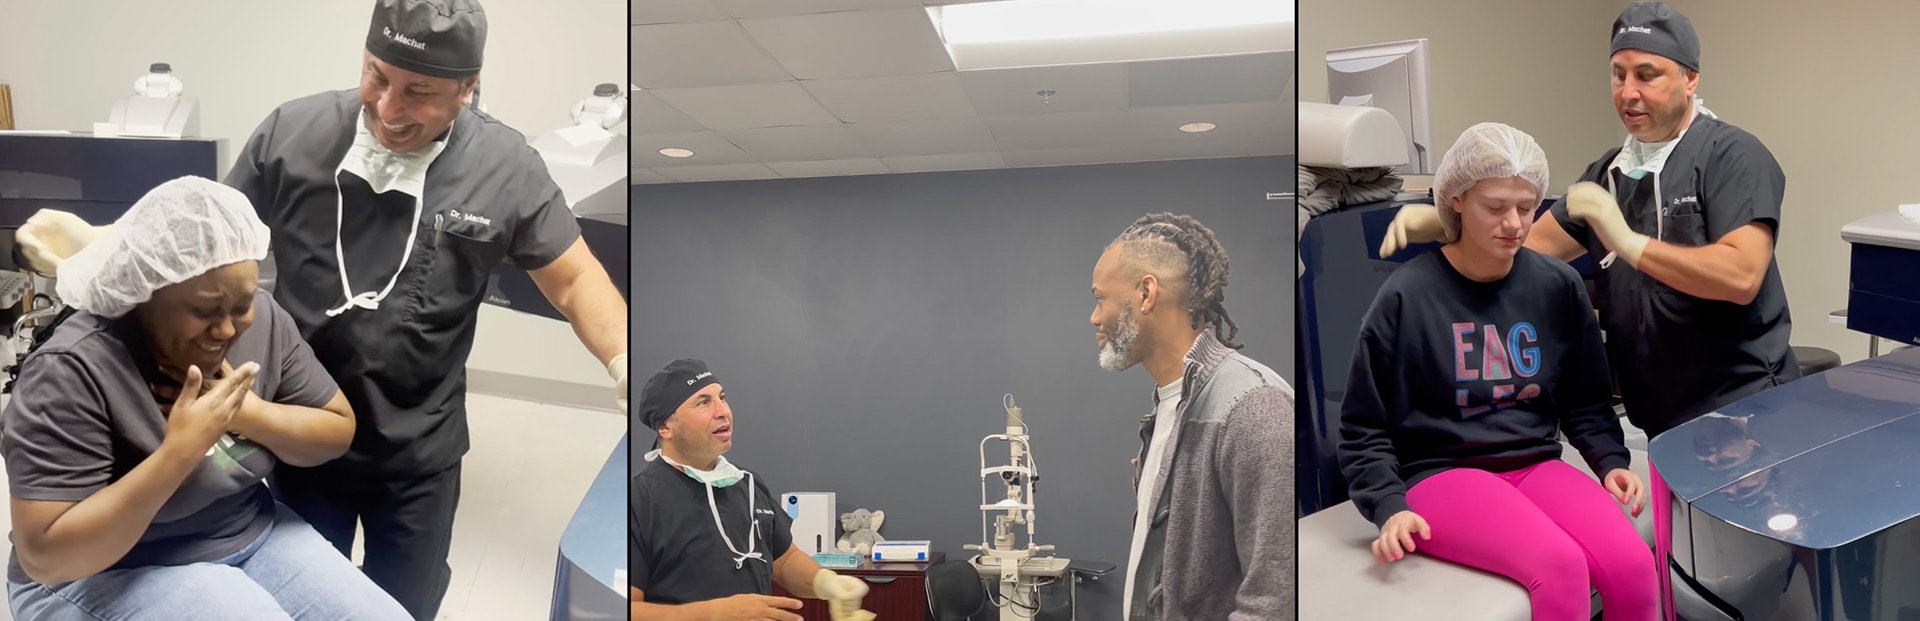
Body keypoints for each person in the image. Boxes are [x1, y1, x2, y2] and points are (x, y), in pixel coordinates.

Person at [13, 2, 631, 618]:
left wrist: (624, 356)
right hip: (290, 421)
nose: (388, 108)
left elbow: (575, 278)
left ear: (469, 89)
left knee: (402, 602)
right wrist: (103, 244)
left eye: (419, 91)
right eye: (376, 75)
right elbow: (198, 239)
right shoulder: (292, 134)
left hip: (415, 443)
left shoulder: (507, 167)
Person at [1377, 5, 1792, 617]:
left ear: (1690, 79)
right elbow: (1525, 248)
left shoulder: (1732, 156)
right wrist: (1450, 220)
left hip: (1741, 412)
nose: (1629, 92)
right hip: (1663, 417)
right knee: (1681, 578)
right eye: (1618, 74)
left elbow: (1740, 275)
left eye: (1648, 74)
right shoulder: (1609, 173)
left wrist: (1623, 240)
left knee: (1742, 584)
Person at [0, 177, 410, 620]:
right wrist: (180, 451)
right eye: (205, 311)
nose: (229, 329)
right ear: (143, 294)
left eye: (241, 305)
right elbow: (48, 558)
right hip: (101, 569)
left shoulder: (264, 321)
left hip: (243, 532)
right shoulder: (73, 367)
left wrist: (250, 415)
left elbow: (336, 430)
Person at [1341, 123, 1655, 620]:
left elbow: (1585, 401)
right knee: (1561, 568)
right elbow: (1362, 428)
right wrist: (1388, 504)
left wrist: (1610, 461)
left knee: (1635, 567)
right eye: (1495, 207)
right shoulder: (1406, 296)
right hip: (1442, 474)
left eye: (1526, 208)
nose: (1513, 223)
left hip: (1536, 463)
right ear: (1457, 200)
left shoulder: (1556, 285)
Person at [1088, 213, 1294, 620]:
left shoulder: (1253, 407)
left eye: (1100, 299)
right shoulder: (1171, 404)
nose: (1094, 318)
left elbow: (1275, 602)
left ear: (1146, 293)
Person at [629, 359, 871, 620]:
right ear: (665, 427)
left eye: (722, 398)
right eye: (703, 402)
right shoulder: (639, 501)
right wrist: (713, 614)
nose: (722, 411)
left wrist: (825, 583)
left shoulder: (747, 484)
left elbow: (785, 560)